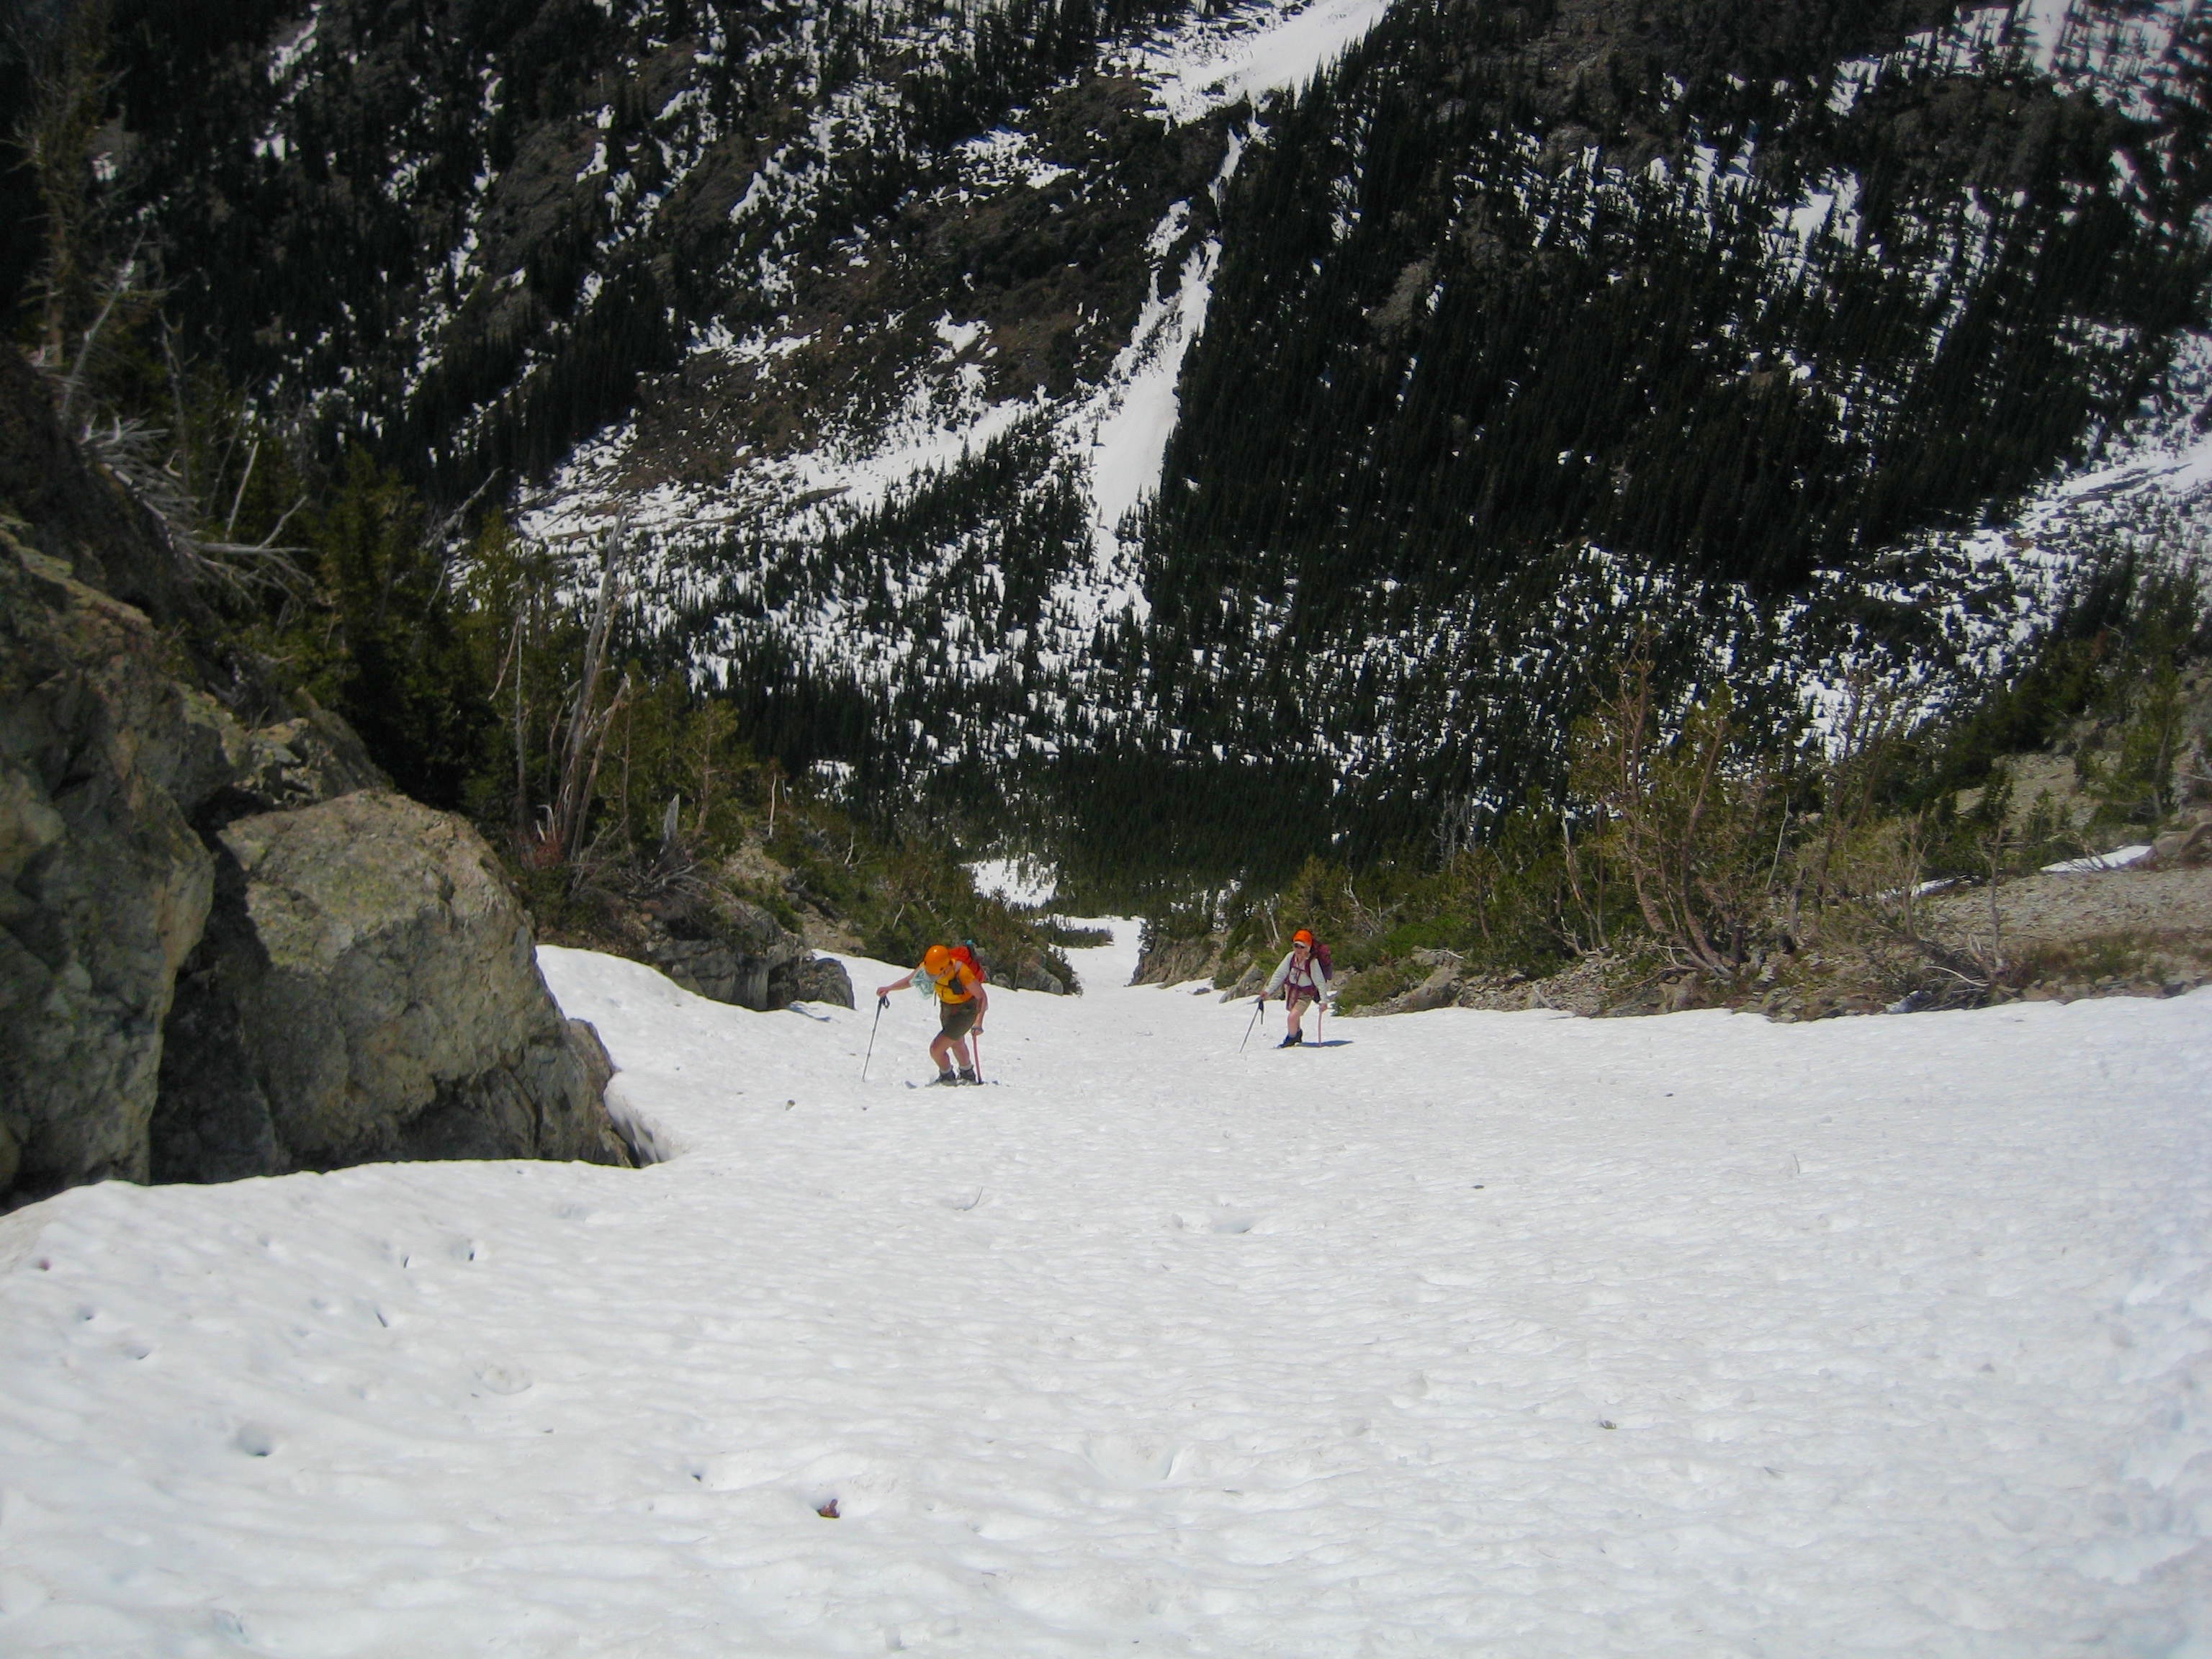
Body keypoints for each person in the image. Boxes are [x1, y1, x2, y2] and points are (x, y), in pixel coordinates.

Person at [877, 944, 989, 1084]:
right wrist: (890, 988)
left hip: (965, 1011)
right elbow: (911, 980)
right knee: (956, 1042)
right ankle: (967, 1073)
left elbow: (981, 997)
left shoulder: (962, 972)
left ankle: (946, 1076)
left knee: (936, 1049)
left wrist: (978, 1022)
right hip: (947, 1007)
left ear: (945, 968)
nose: (931, 977)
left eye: (934, 975)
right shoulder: (930, 966)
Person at [1262, 929, 1331, 1047]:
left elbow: (1320, 982)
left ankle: (1292, 1038)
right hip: (1291, 990)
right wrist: (1268, 990)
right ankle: (1297, 1033)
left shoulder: (1312, 962)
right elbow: (1280, 974)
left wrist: (1324, 1001)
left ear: (1308, 948)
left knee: (1292, 1017)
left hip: (1305, 994)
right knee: (1293, 1014)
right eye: (1296, 946)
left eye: (1302, 946)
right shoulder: (1290, 957)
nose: (1298, 949)